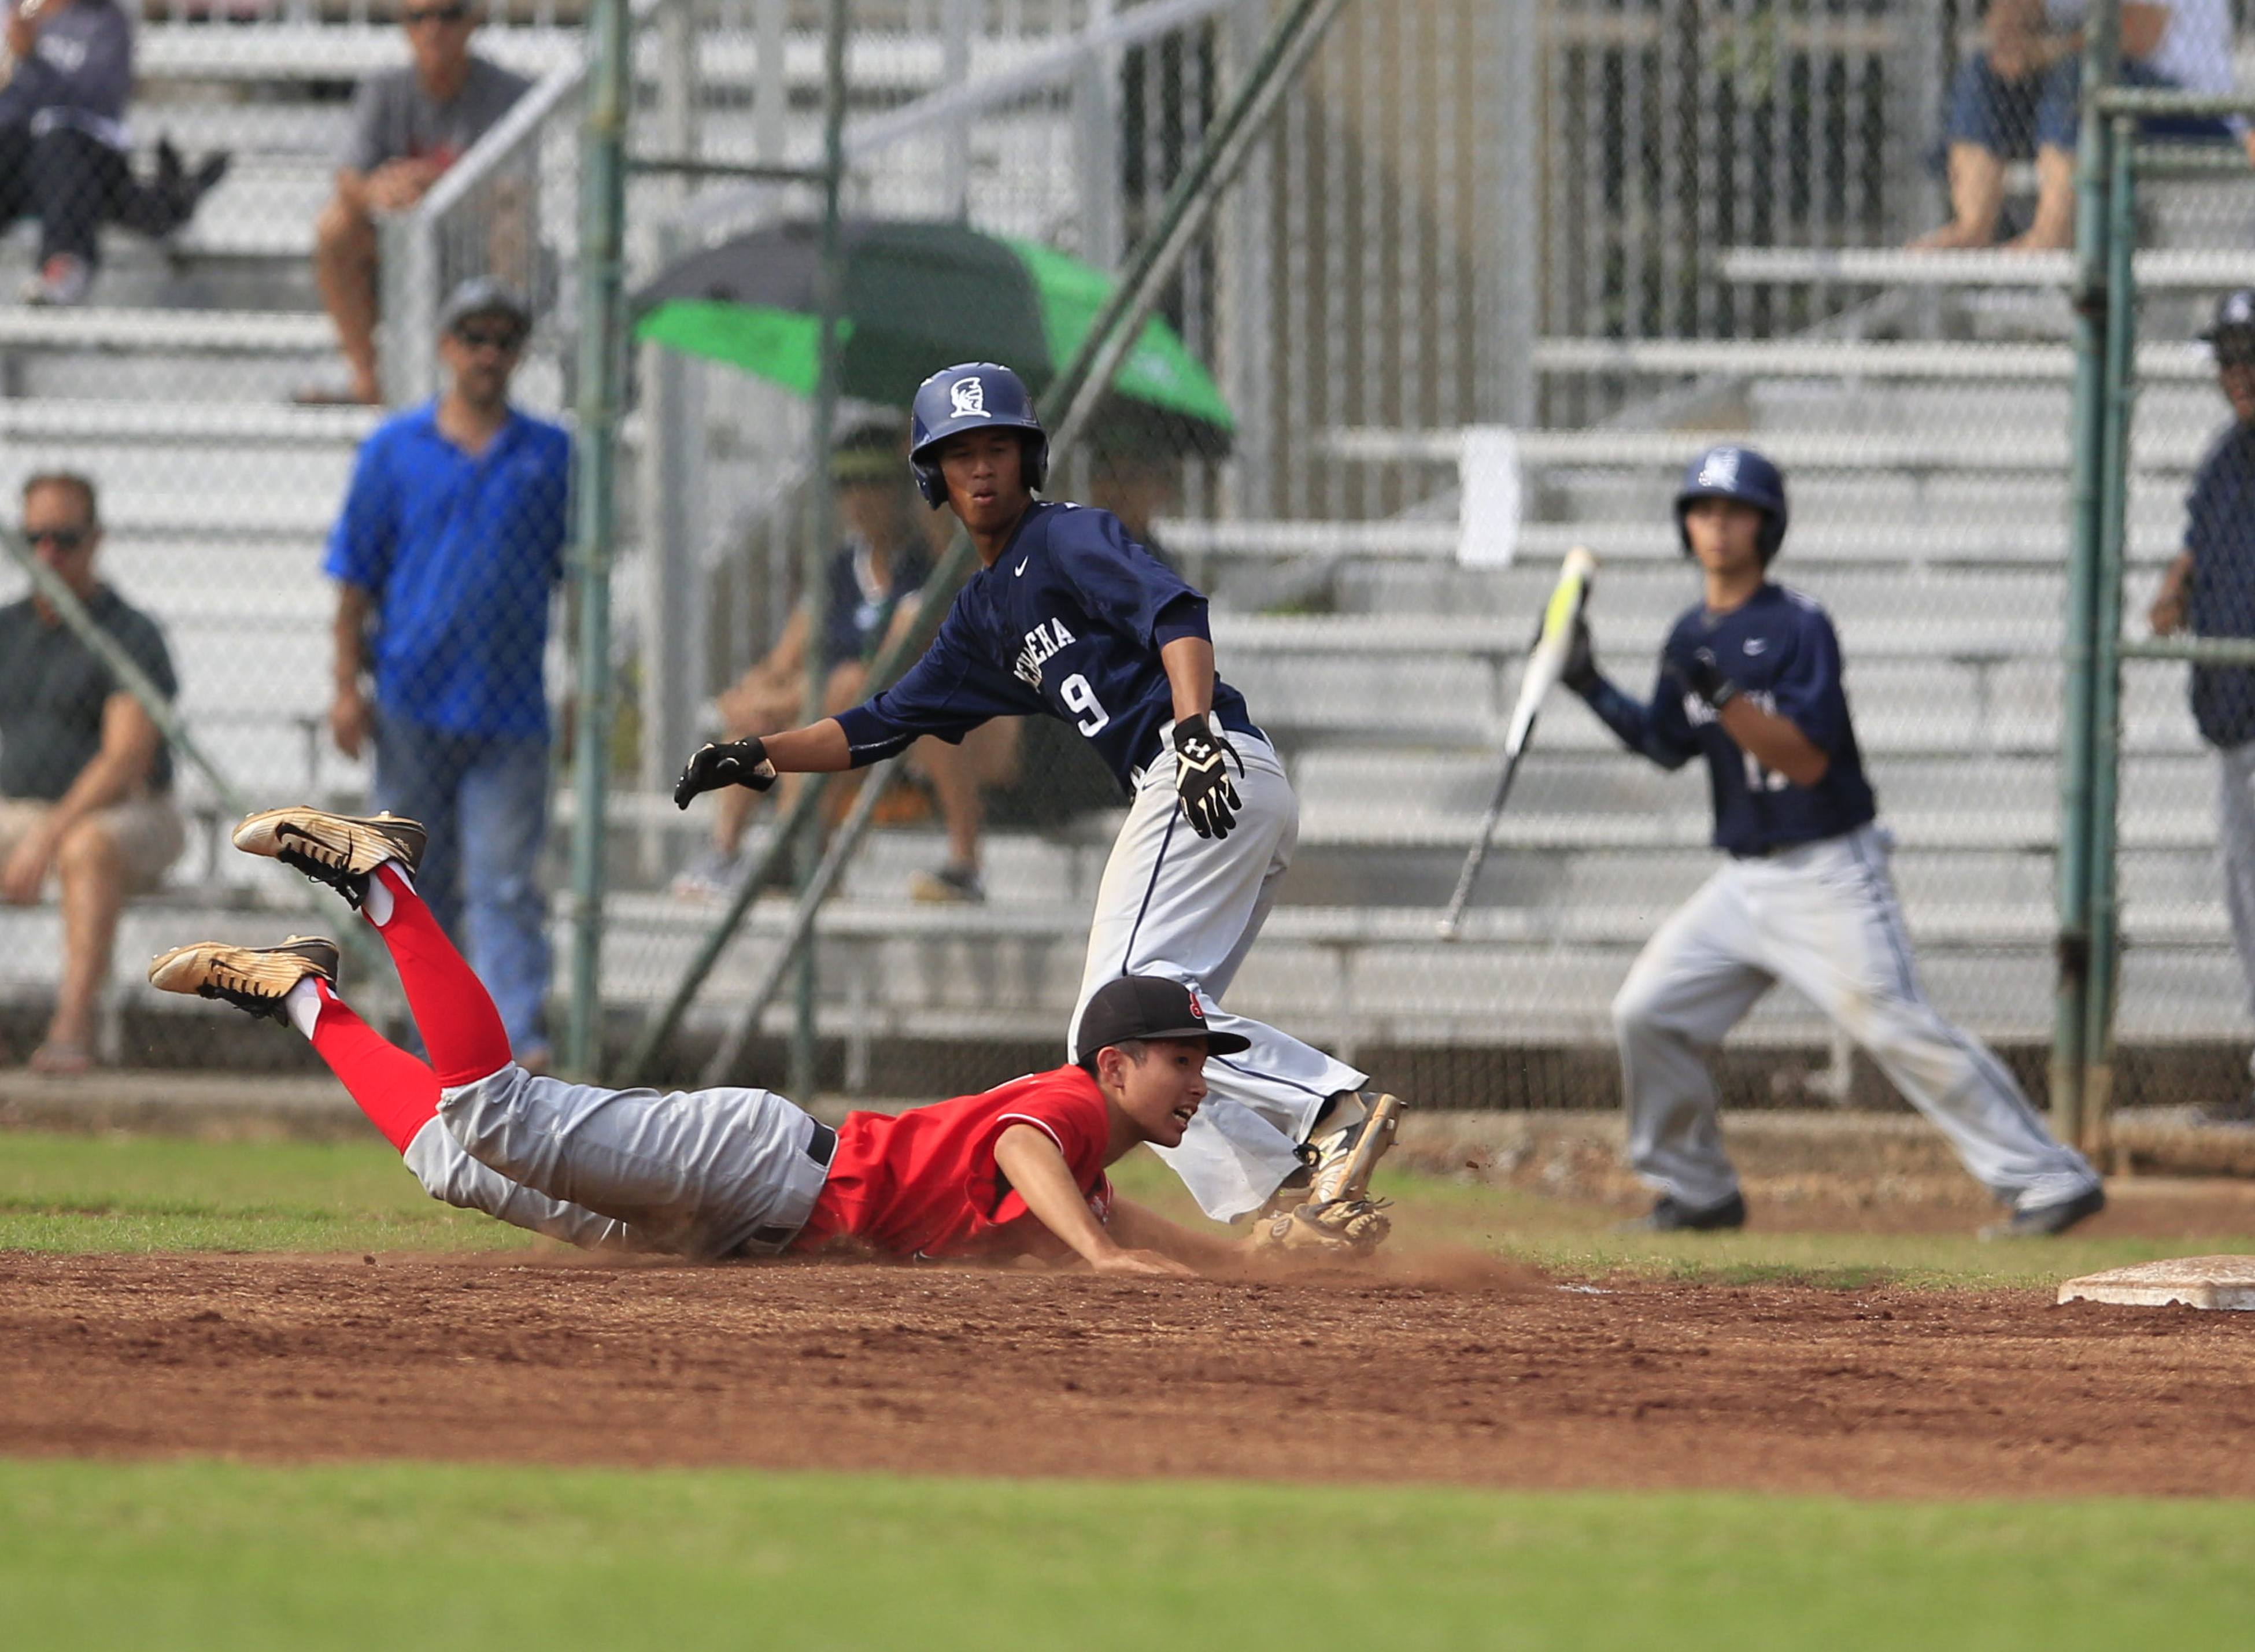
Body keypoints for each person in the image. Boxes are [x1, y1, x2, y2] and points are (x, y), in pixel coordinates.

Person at [673, 361, 1403, 1236]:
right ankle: (1282, 1195)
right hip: (1216, 782)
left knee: (1117, 1019)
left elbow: (1175, 612)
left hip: (1200, 769)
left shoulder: (1066, 538)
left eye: (999, 449)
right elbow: (879, 721)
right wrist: (762, 752)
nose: (981, 469)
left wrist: (1198, 731)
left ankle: (1329, 1107)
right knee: (1125, 1040)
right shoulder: (984, 612)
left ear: (1031, 460)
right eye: (959, 454)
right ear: (932, 477)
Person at [146, 804, 1377, 1267]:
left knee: (448, 1161)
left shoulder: (1090, 1169)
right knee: (493, 1115)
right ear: (1115, 1063)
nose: (1197, 1085)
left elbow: (1123, 1222)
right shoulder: (1061, 1109)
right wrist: (1105, 1268)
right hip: (761, 1164)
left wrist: (1250, 1263)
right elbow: (1019, 1149)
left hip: (737, 1227)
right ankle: (381, 881)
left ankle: (302, 995)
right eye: (1184, 1060)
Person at [1560, 444, 2108, 1237]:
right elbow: (1666, 745)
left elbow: (1806, 758)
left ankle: (2049, 1180)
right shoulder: (1688, 634)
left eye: (1735, 511)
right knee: (1647, 1014)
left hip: (1828, 871)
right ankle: (1698, 1190)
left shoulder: (1799, 623)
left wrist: (1717, 688)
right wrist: (1587, 682)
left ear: (1766, 525)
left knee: (1897, 1025)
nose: (1717, 526)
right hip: (1744, 880)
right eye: (1703, 510)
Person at [324, 279, 567, 1070]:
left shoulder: (550, 454)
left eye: (502, 339)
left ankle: (514, 1041)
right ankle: (441, 1038)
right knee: (416, 887)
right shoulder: (395, 451)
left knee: (503, 884)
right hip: (410, 700)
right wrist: (342, 685)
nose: (488, 353)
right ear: (445, 347)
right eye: (474, 337)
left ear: (518, 354)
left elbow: (579, 571)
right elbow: (356, 575)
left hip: (511, 707)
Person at [675, 419, 1014, 906]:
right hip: (842, 723)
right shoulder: (838, 571)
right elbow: (782, 661)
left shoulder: (924, 567)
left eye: (875, 482)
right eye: (847, 483)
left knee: (847, 686)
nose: (861, 497)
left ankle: (812, 849)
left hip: (918, 724)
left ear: (902, 491)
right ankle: (725, 853)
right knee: (759, 708)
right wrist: (757, 695)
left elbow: (888, 662)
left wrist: (791, 695)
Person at [0, 472, 184, 1073]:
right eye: (36, 539)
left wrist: (46, 838)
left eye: (65, 538)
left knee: (86, 847)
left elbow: (125, 757)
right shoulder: (9, 630)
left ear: (96, 539)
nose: (48, 553)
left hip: (128, 811)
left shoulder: (128, 631)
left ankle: (71, 1029)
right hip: (20, 806)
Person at [304, 2, 530, 405]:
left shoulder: (508, 92)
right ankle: (368, 380)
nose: (433, 30)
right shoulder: (384, 89)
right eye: (418, 17)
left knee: (513, 222)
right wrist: (380, 191)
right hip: (398, 244)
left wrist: (437, 185)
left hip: (475, 239)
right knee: (335, 227)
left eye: (448, 15)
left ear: (472, 21)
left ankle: (497, 380)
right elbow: (348, 176)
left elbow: (518, 186)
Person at [2148, 289, 2255, 1123]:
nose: (2237, 371)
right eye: (2227, 356)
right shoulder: (2226, 455)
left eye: (2248, 353)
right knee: (2243, 890)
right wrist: (2176, 586)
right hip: (2233, 715)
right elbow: (2199, 537)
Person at [1912, 0, 2247, 252]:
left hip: (2189, 109)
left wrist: (2045, 52)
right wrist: (2011, 45)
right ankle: (1974, 224)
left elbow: (2137, 32)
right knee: (1980, 73)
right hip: (2091, 107)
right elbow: (2008, 20)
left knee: (2077, 75)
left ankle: (2052, 232)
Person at [0, 0, 227, 305]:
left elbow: (96, 97)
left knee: (59, 136)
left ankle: (64, 265)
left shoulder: (105, 21)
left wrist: (32, 59)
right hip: (22, 161)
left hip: (84, 160)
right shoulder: (18, 12)